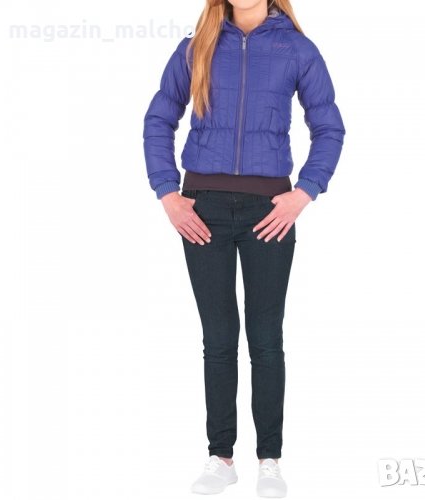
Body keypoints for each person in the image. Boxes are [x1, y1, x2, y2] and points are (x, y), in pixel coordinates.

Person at [142, 0, 345, 496]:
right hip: (202, 208)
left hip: (269, 211)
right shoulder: (196, 48)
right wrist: (168, 193)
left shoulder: (296, 49)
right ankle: (221, 457)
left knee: (265, 338)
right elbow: (158, 119)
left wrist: (304, 192)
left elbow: (329, 127)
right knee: (218, 338)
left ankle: (269, 459)